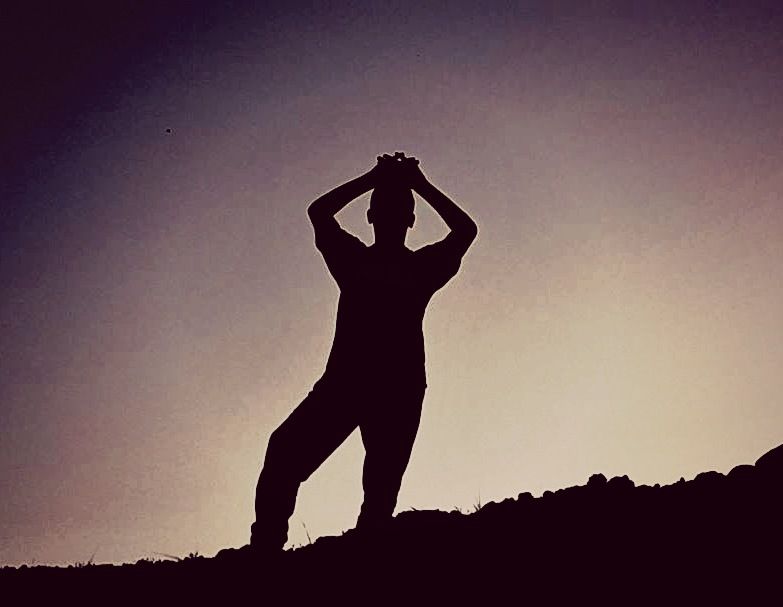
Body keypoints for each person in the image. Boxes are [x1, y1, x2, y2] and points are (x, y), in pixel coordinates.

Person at [250, 152, 478, 554]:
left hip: (391, 387)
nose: (391, 214)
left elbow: (466, 231)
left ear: (406, 220)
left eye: (397, 208)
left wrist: (392, 181)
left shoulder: (396, 265)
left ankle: (286, 555)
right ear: (374, 216)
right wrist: (396, 181)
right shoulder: (367, 261)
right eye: (385, 207)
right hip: (356, 384)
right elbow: (318, 213)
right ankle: (265, 552)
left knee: (378, 491)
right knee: (287, 455)